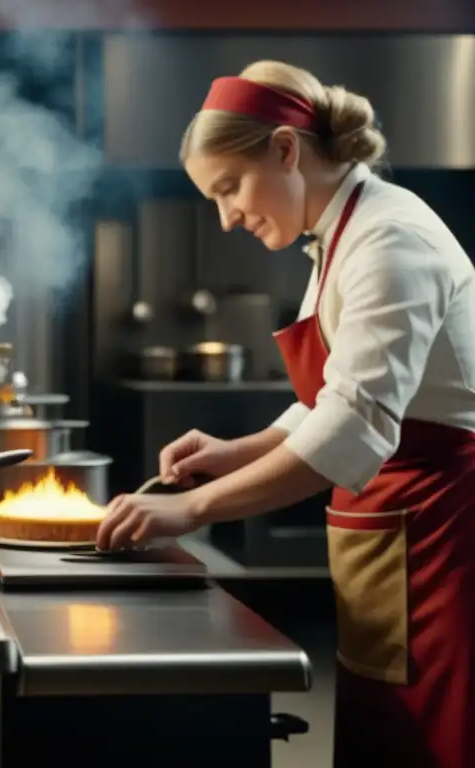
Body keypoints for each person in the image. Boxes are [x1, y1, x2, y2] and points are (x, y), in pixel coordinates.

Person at [96, 60, 475, 767]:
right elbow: (329, 396)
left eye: (228, 188)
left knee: (434, 739)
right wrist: (239, 450)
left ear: (284, 149)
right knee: (382, 730)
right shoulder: (340, 234)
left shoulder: (392, 242)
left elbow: (357, 423)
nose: (227, 216)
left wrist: (196, 508)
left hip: (443, 534)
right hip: (389, 533)